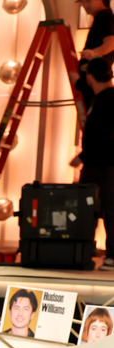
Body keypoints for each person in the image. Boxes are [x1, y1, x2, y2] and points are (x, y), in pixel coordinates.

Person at [71, 57, 114, 271]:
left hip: (105, 166)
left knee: (109, 209)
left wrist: (84, 156)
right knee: (91, 209)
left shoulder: (108, 100)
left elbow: (105, 137)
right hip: (97, 164)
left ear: (91, 76)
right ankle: (84, 252)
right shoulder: (100, 98)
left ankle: (111, 255)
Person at [75, 0, 114, 108]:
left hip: (95, 82)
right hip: (92, 81)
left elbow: (111, 42)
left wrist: (94, 53)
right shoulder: (101, 17)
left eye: (88, 1)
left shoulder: (105, 17)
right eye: (82, 2)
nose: (85, 6)